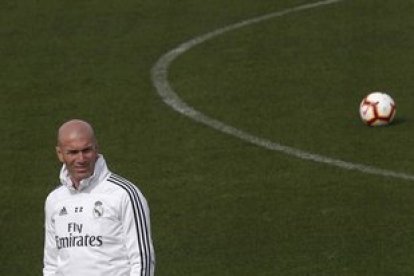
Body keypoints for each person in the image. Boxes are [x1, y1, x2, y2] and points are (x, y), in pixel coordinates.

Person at [43, 119, 155, 276]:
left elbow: (142, 260)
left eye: (86, 150)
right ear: (60, 154)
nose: (81, 159)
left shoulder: (124, 194)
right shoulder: (54, 200)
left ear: (97, 148)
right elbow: (51, 264)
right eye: (73, 152)